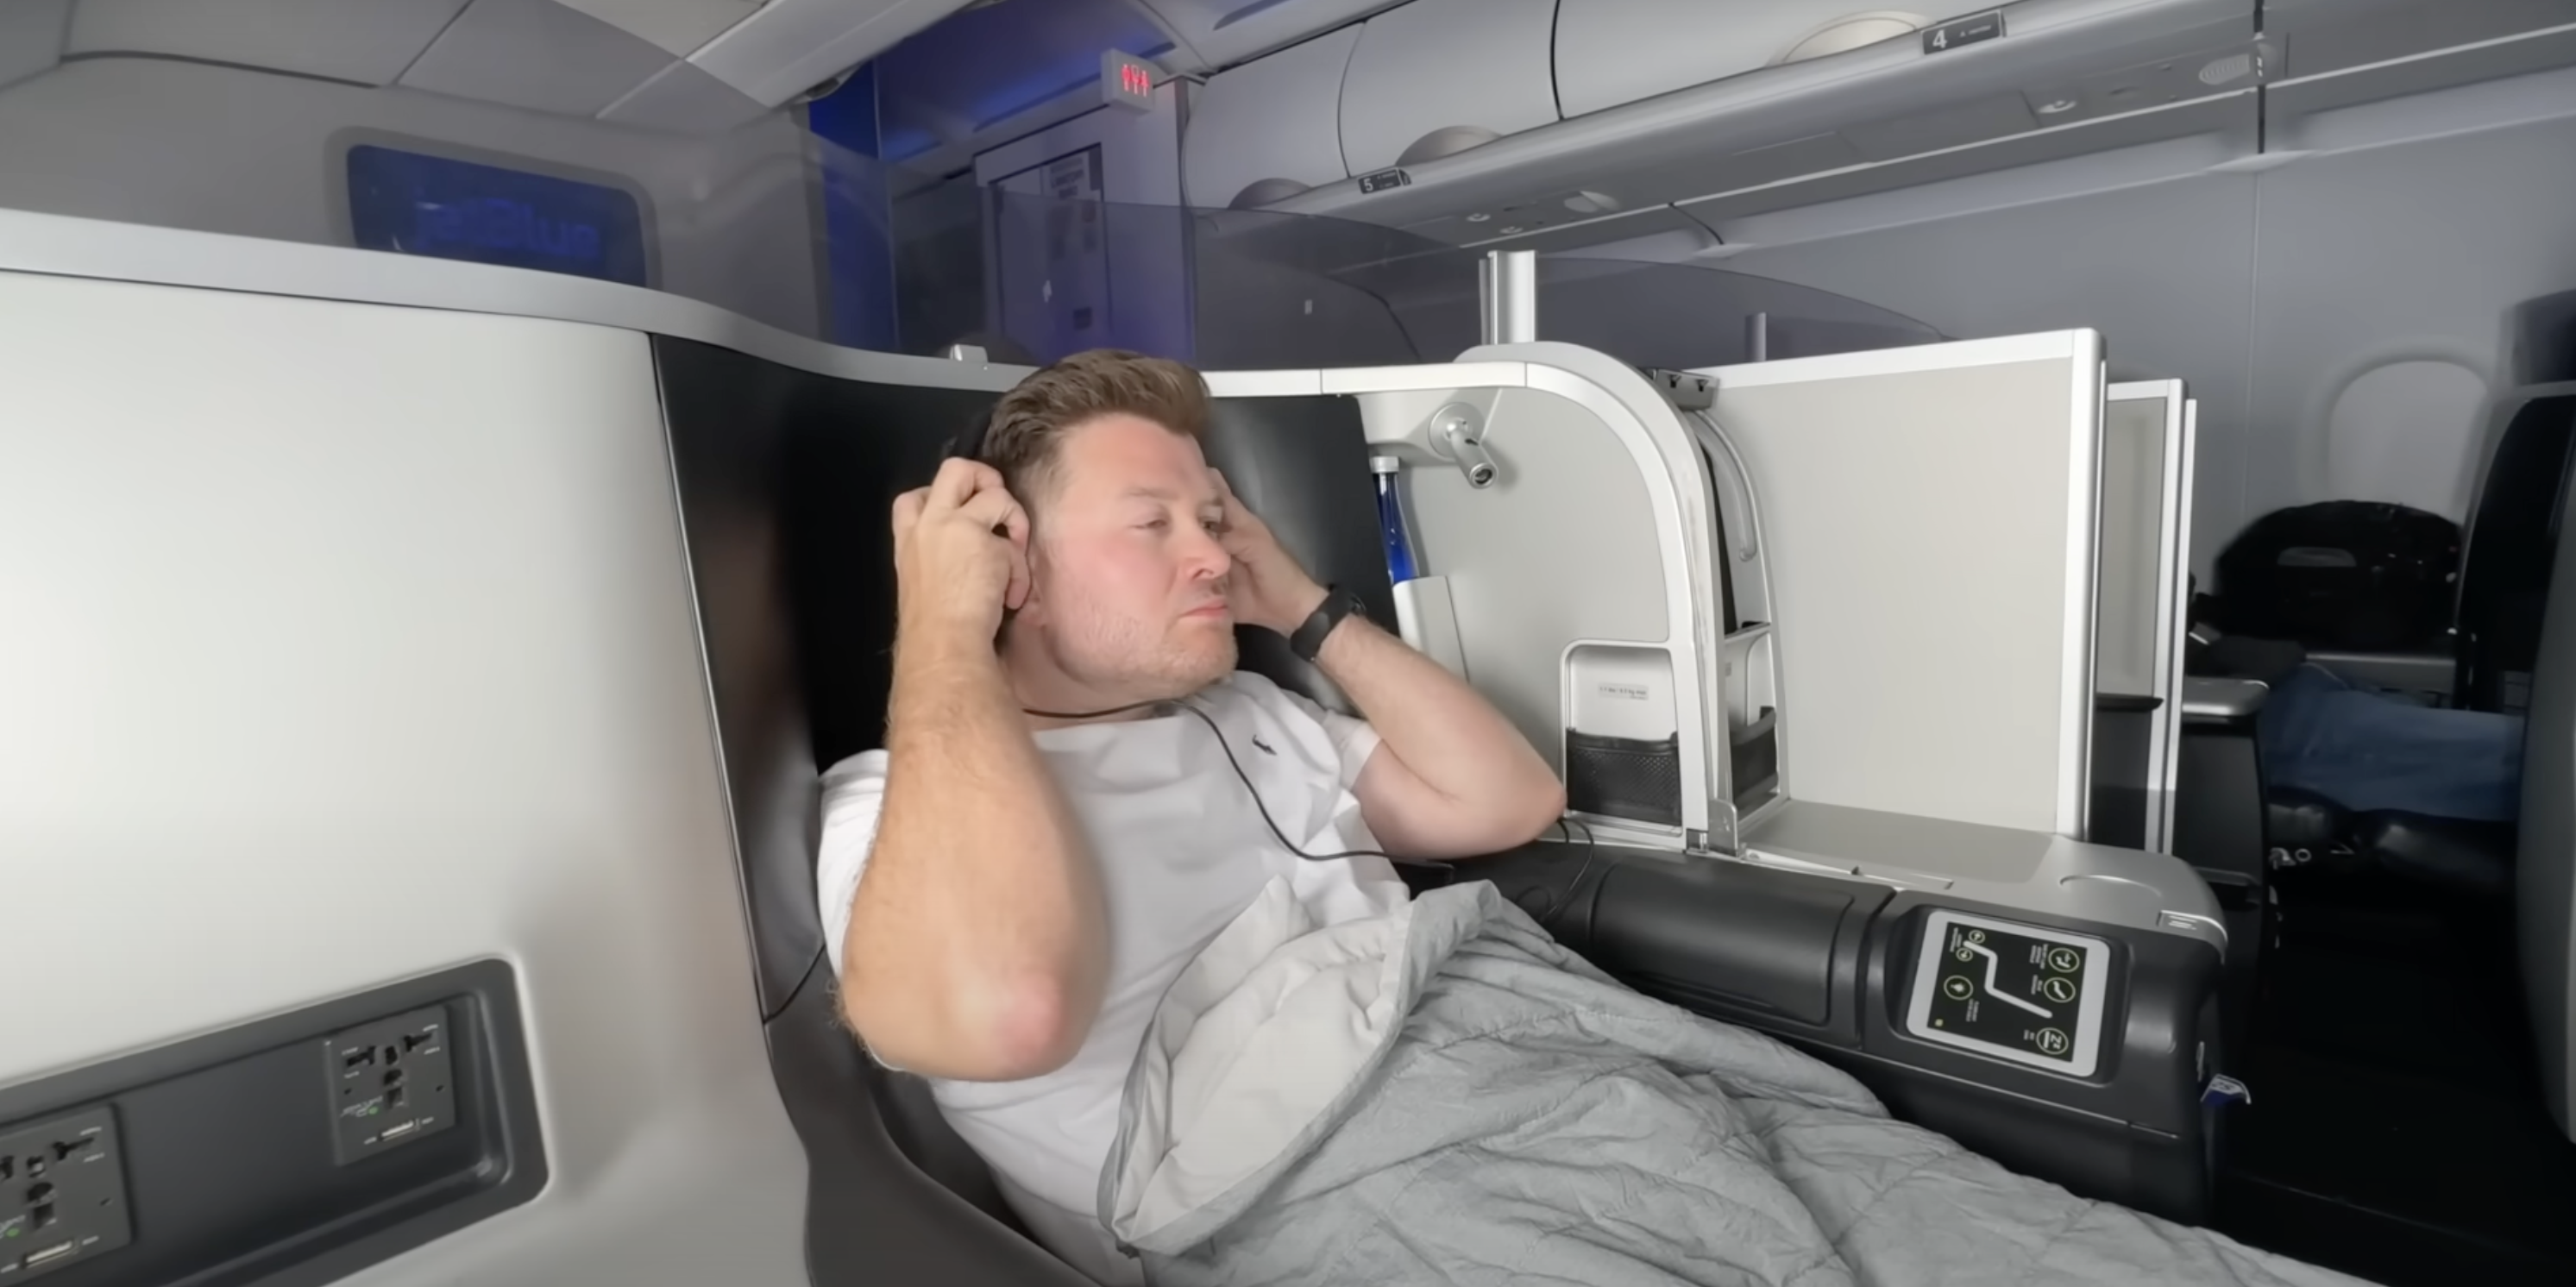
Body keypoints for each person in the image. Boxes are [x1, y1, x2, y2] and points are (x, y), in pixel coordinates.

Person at [815, 348, 1568, 1283]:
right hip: (1307, 1197)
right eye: (1151, 524)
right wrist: (942, 623)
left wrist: (1300, 604)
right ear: (1015, 566)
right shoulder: (893, 804)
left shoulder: (1254, 715)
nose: (1214, 554)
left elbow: (1510, 799)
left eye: (1212, 520)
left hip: (1499, 1074)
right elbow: (1005, 1016)